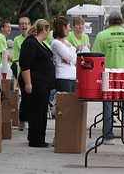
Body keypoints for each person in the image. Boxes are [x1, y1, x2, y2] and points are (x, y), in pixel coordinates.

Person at [91, 10, 124, 146]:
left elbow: (95, 54)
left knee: (108, 104)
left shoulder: (102, 35)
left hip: (109, 76)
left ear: (108, 22)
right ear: (122, 21)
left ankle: (109, 137)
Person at [19, 19, 55, 148]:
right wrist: (28, 83)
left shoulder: (41, 43)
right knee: (36, 111)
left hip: (44, 84)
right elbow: (25, 64)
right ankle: (35, 139)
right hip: (36, 83)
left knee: (41, 112)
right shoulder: (30, 43)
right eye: (48, 30)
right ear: (44, 30)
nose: (49, 33)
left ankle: (40, 137)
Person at [13, 17, 31, 131]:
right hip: (23, 72)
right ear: (19, 27)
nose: (24, 26)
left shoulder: (35, 38)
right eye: (21, 24)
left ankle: (33, 121)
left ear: (30, 25)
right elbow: (16, 59)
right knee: (25, 99)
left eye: (26, 24)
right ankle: (22, 121)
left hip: (34, 73)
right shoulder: (17, 40)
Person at [51, 16, 77, 92]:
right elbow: (69, 57)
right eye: (68, 27)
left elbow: (74, 59)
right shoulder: (56, 43)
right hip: (63, 77)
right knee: (65, 103)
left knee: (73, 102)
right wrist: (73, 48)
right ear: (63, 27)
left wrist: (70, 61)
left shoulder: (66, 42)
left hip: (73, 76)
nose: (70, 29)